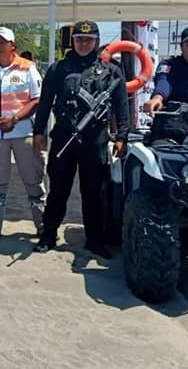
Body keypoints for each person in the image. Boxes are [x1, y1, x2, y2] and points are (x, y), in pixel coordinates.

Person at [32, 20, 129, 257]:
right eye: (79, 39)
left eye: (88, 40)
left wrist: (122, 136)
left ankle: (95, 240)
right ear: (72, 41)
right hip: (64, 136)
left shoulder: (112, 71)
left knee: (94, 192)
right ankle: (48, 235)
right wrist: (38, 132)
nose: (83, 44)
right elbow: (44, 103)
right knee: (58, 190)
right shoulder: (58, 69)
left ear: (96, 41)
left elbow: (121, 106)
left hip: (95, 139)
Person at [0, 27, 44, 238]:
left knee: (33, 179)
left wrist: (15, 118)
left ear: (13, 46)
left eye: (3, 42)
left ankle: (43, 226)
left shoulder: (28, 68)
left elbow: (37, 99)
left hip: (22, 133)